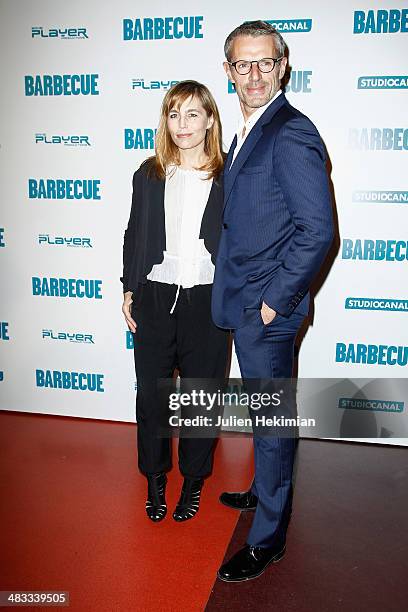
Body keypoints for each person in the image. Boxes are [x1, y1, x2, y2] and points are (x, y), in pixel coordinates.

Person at [212, 21, 334, 581]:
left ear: (283, 67)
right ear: (230, 71)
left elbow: (318, 230)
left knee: (273, 422)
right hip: (246, 299)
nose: (254, 75)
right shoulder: (247, 129)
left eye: (265, 63)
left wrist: (273, 301)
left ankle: (269, 538)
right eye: (243, 64)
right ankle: (264, 493)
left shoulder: (290, 132)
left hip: (268, 309)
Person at [121, 81, 229, 523]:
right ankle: (155, 480)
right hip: (156, 296)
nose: (182, 125)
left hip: (207, 301)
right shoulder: (148, 173)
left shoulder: (228, 176)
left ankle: (194, 482)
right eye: (173, 114)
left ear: (209, 120)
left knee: (202, 397)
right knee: (152, 399)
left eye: (191, 114)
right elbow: (133, 234)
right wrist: (128, 288)